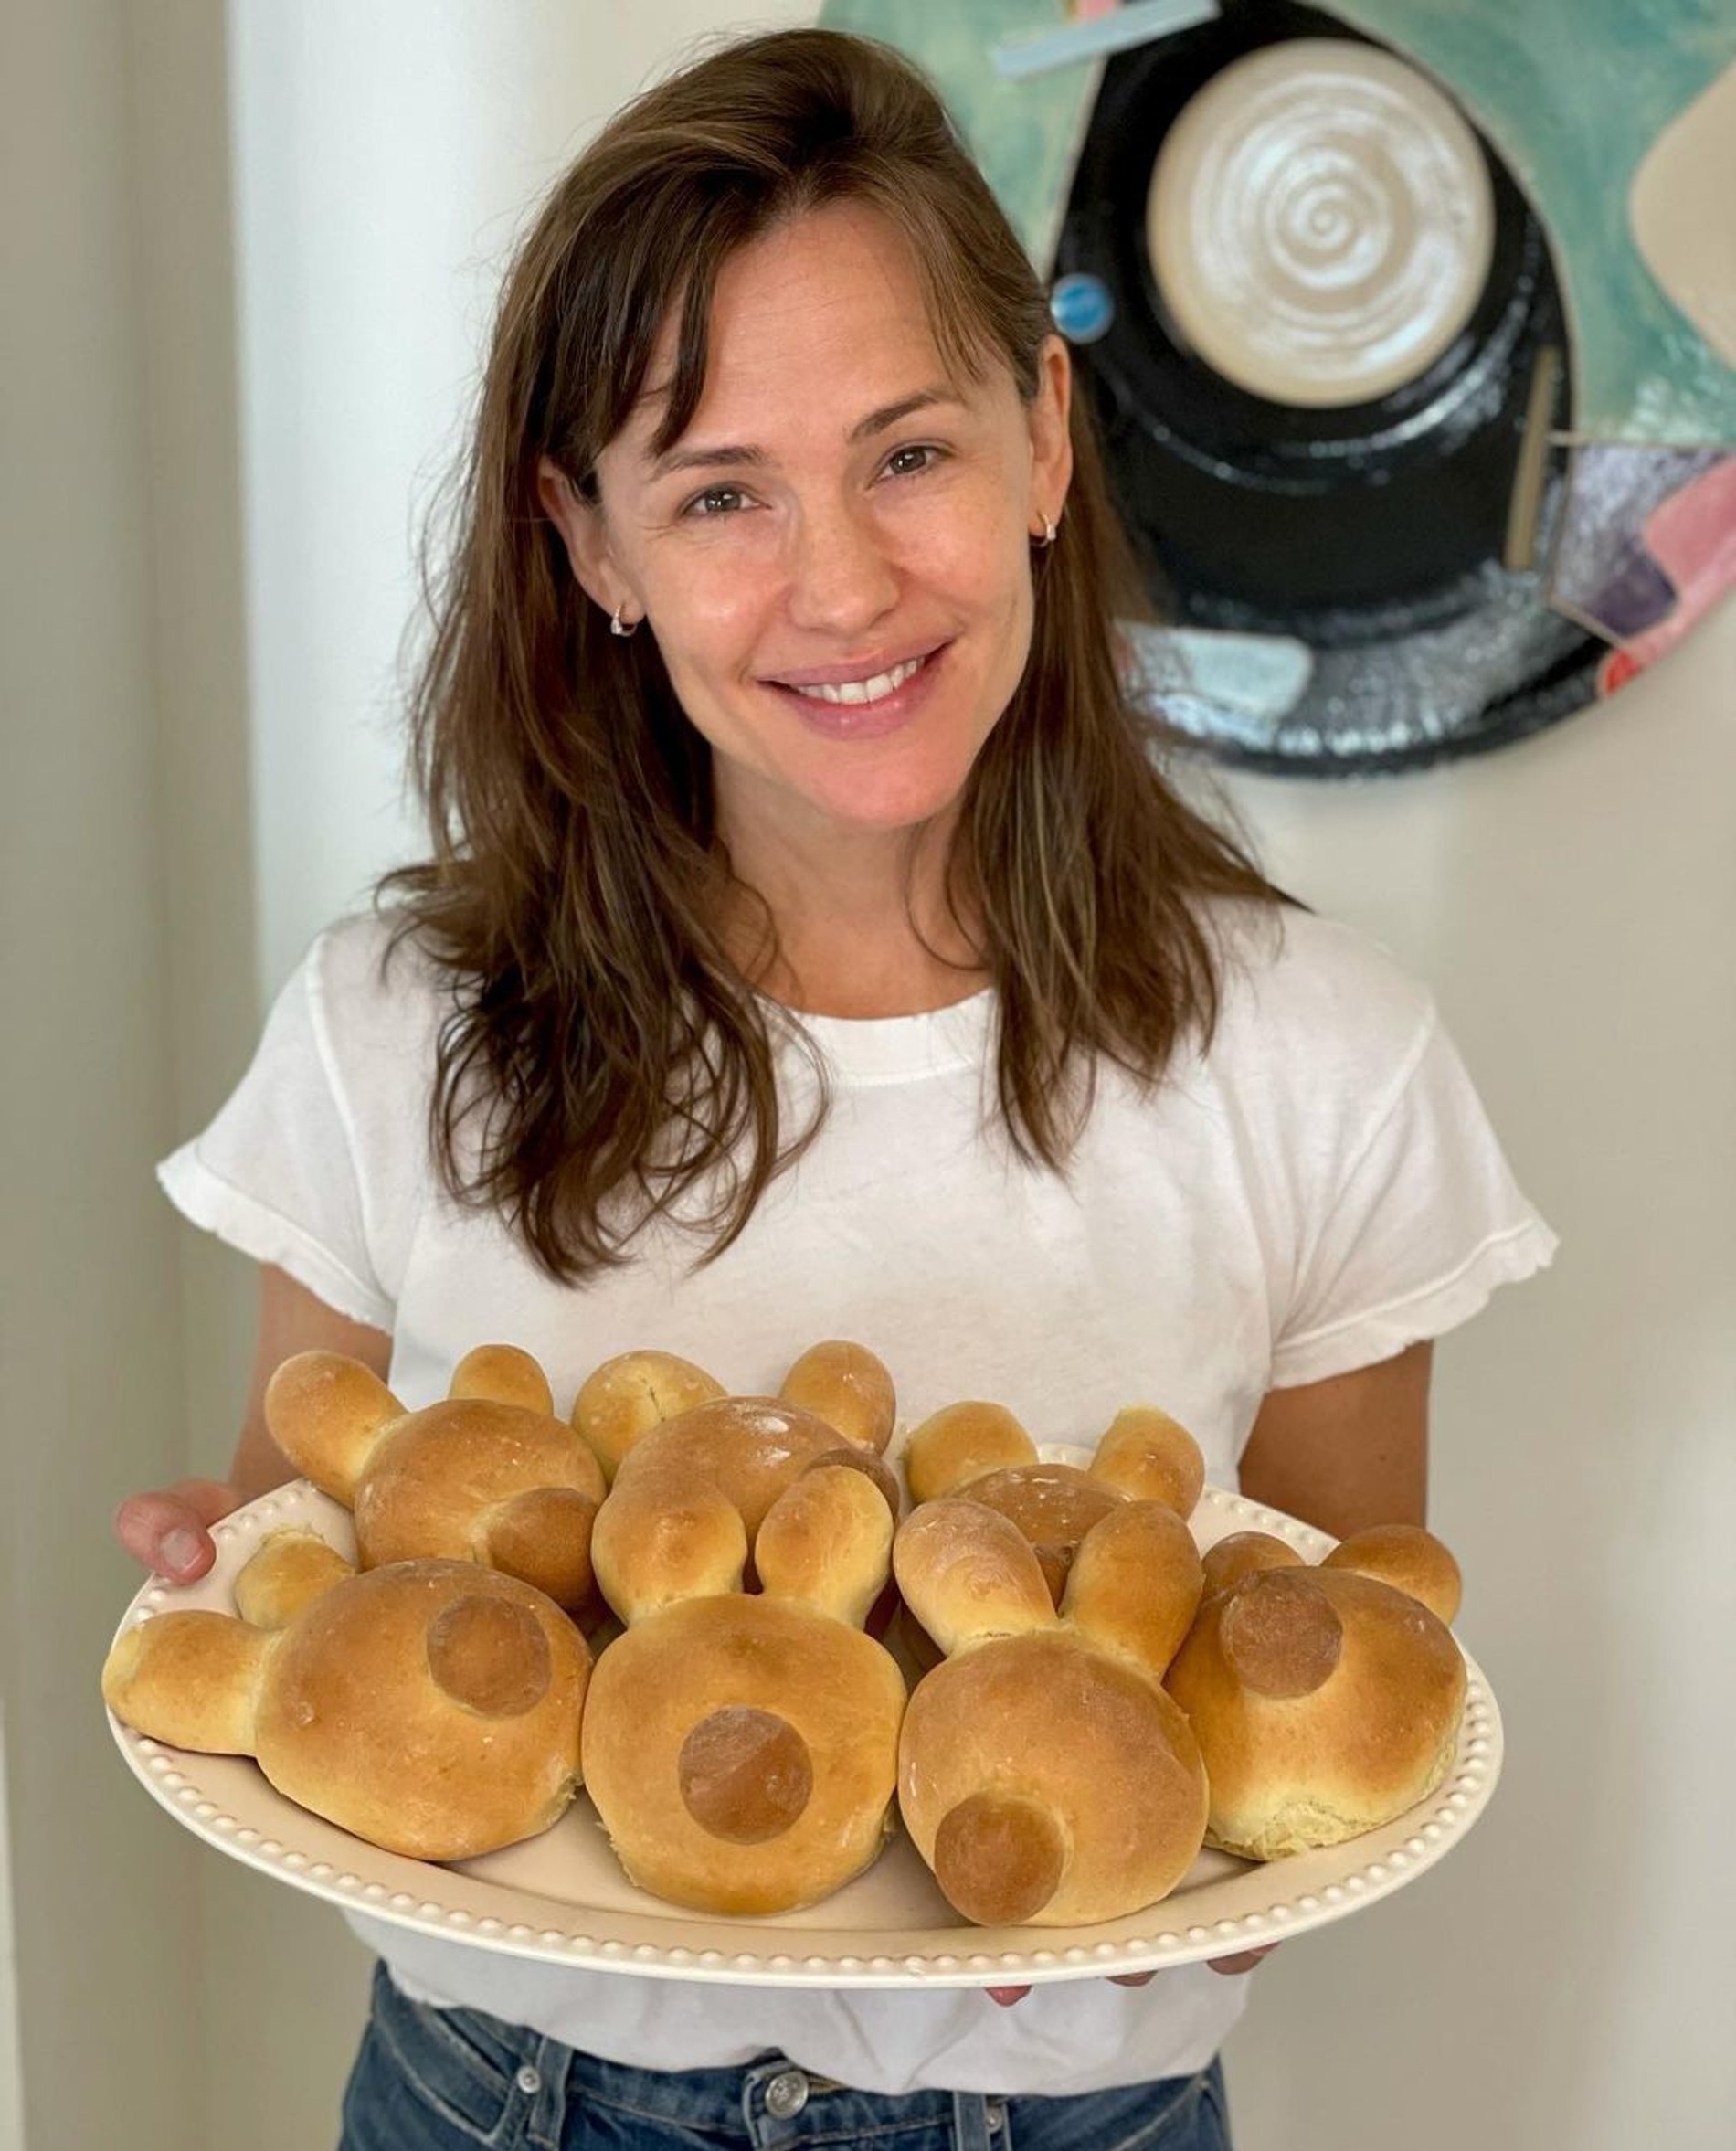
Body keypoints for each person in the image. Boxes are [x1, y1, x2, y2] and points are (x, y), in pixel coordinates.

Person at [113, 26, 1555, 2151]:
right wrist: (215, 1562)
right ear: (587, 543)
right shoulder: (391, 1025)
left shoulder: (1323, 1059)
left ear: (1041, 437)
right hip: (492, 2097)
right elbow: (312, 1565)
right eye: (720, 493)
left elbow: (1314, 1681)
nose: (847, 586)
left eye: (906, 453)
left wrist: (1196, 1876)